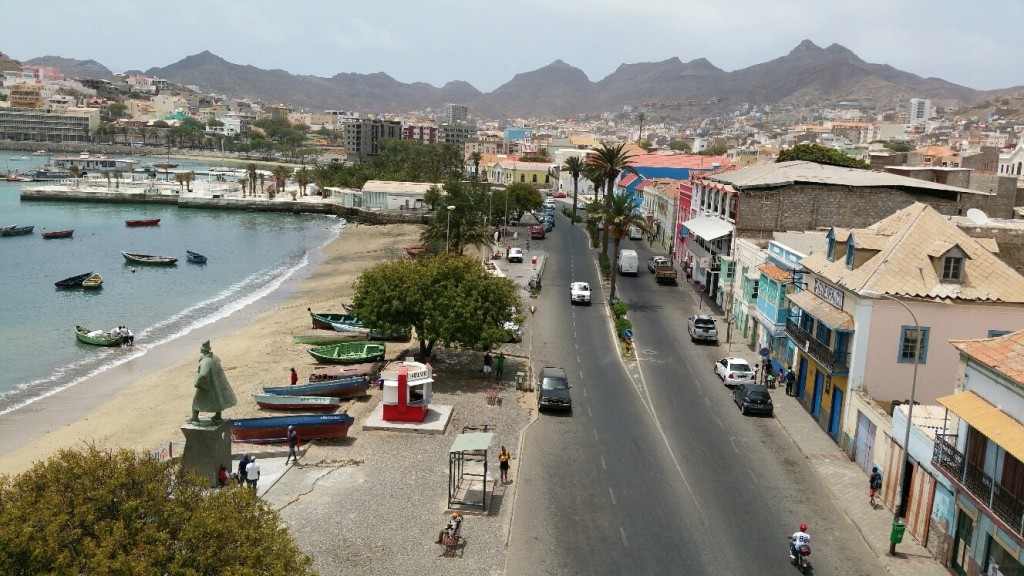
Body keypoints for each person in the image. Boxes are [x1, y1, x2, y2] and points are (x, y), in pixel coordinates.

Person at [188, 340, 238, 425]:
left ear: (202, 349)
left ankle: (194, 418)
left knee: (196, 402)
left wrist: (198, 382)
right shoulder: (214, 357)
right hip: (216, 384)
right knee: (217, 400)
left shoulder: (205, 361)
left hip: (207, 385)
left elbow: (203, 374)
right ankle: (217, 417)